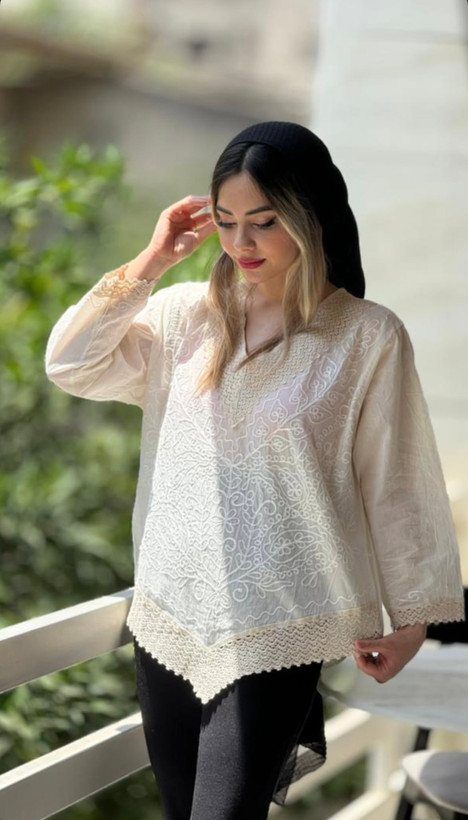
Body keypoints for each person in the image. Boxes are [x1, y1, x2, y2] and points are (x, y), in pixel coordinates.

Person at [45, 121, 465, 819]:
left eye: (264, 222)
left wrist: (413, 621)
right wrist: (151, 261)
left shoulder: (367, 336)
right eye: (227, 221)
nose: (241, 243)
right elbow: (71, 363)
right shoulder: (184, 316)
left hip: (280, 629)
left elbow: (396, 487)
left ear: (310, 217)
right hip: (170, 618)